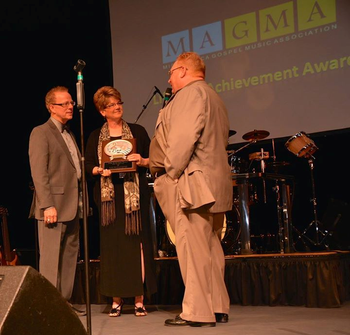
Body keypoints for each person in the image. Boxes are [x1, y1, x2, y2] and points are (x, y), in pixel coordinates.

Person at [149, 52, 233, 327]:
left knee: (191, 247)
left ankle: (197, 311)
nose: (169, 78)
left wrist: (170, 172)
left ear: (184, 71)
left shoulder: (189, 94)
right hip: (213, 183)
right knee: (210, 247)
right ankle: (218, 306)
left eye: (172, 72)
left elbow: (183, 139)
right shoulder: (213, 95)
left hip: (191, 183)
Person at [85, 86, 157, 317]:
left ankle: (138, 298)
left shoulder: (137, 131)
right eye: (111, 105)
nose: (117, 107)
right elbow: (88, 167)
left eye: (119, 103)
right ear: (102, 111)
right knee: (113, 249)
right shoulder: (96, 136)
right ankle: (116, 299)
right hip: (109, 201)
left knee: (137, 248)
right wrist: (98, 170)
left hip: (133, 200)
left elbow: (153, 160)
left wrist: (142, 160)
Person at [28, 86, 86, 316]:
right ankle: (48, 308)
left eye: (71, 102)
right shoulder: (41, 132)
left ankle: (63, 303)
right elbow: (39, 172)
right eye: (65, 103)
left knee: (70, 257)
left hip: (73, 205)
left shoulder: (69, 133)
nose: (71, 106)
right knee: (51, 259)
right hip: (53, 206)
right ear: (51, 108)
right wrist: (47, 205)